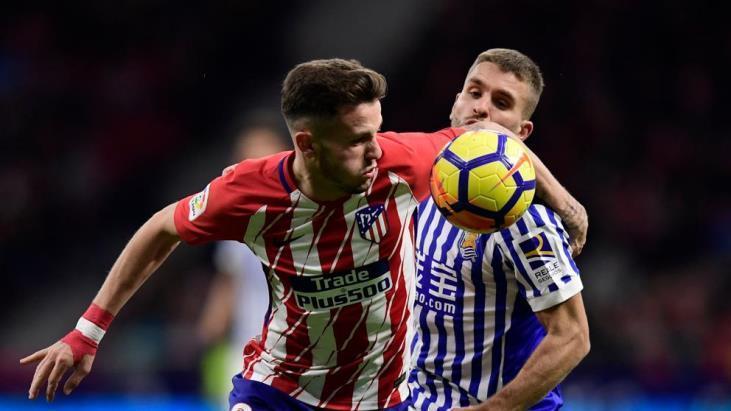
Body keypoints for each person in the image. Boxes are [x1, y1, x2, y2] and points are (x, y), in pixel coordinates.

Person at [20, 58, 587, 411]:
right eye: (359, 140)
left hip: (380, 400)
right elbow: (161, 227)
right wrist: (87, 332)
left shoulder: (405, 164)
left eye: (377, 132)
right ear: (307, 145)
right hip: (279, 390)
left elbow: (488, 141)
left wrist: (563, 201)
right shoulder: (247, 194)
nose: (376, 150)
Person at [408, 49, 589, 411]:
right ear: (456, 101)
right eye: (474, 92)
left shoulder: (527, 219)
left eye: (501, 102)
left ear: (522, 132)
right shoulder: (418, 184)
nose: (481, 109)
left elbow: (572, 338)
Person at [197, 115, 292, 404]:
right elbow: (228, 282)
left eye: (263, 159)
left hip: (299, 358)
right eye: (246, 159)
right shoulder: (237, 221)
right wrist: (208, 332)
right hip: (248, 356)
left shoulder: (311, 215)